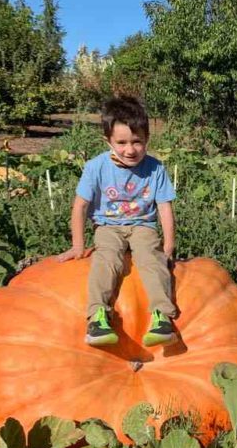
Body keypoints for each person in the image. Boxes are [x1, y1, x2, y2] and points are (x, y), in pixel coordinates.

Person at [58, 95, 177, 347]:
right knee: (106, 260)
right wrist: (78, 245)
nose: (130, 149)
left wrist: (168, 245)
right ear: (108, 141)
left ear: (147, 139)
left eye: (137, 142)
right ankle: (97, 316)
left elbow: (164, 207)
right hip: (108, 226)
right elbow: (80, 206)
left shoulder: (156, 169)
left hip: (143, 225)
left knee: (151, 259)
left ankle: (162, 316)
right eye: (121, 142)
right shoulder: (96, 167)